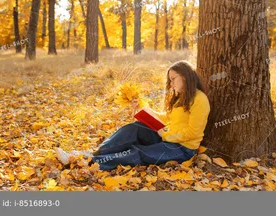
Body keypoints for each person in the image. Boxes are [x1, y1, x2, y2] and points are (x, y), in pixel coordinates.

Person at [55, 61, 211, 170]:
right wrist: (142, 109)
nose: (171, 84)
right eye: (169, 81)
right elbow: (166, 118)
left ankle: (88, 161)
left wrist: (167, 135)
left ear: (185, 76)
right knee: (134, 128)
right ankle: (93, 153)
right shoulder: (181, 98)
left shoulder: (200, 100)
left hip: (183, 149)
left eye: (173, 79)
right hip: (168, 137)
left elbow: (194, 132)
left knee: (138, 152)